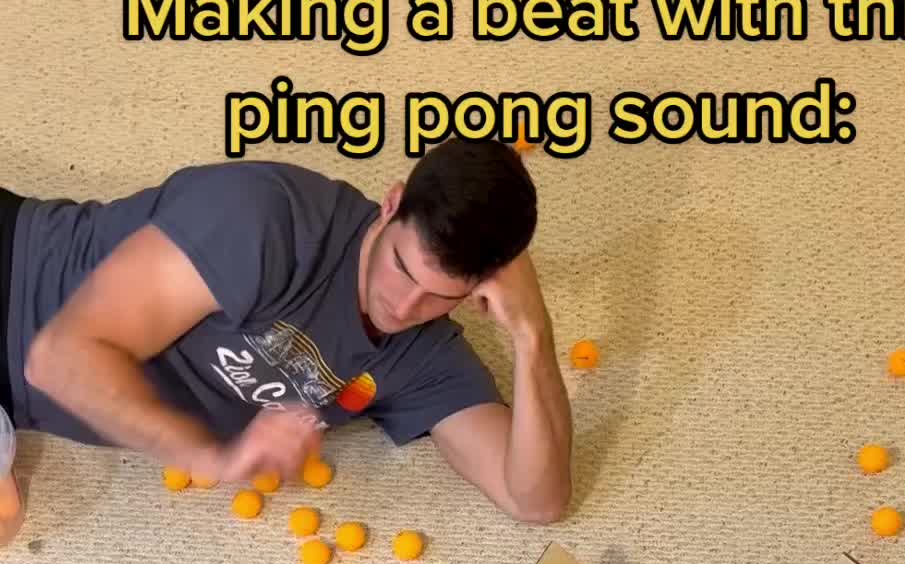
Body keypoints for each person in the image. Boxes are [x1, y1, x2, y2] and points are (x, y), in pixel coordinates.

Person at [0, 139, 572, 525]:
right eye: (403, 268)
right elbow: (59, 359)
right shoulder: (263, 219)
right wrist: (211, 457)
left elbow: (536, 500)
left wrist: (532, 333)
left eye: (439, 295)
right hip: (14, 272)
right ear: (392, 203)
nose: (404, 306)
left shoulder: (424, 358)